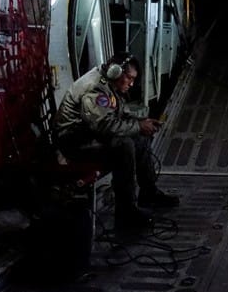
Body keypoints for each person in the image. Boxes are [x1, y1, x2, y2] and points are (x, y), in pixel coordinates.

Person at [54, 52, 179, 236]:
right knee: (124, 146)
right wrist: (138, 126)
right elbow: (104, 125)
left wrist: (141, 122)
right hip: (75, 144)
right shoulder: (94, 89)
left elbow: (116, 113)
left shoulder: (108, 84)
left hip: (88, 136)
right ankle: (126, 212)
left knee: (139, 139)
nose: (131, 83)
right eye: (129, 78)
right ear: (115, 71)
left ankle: (148, 193)